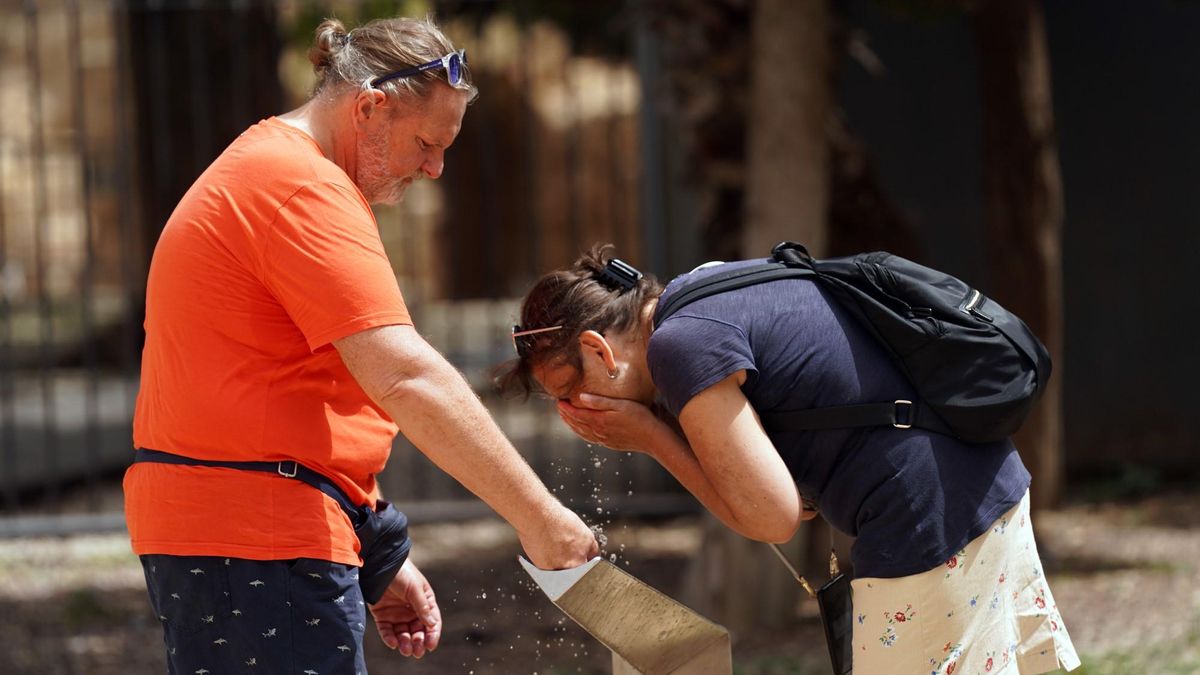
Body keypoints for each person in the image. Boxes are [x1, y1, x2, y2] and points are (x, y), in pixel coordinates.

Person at [124, 16, 598, 674]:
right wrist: (541, 517)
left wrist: (377, 548)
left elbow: (285, 388)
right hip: (254, 536)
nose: (434, 169)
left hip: (240, 530)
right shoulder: (303, 189)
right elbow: (406, 377)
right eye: (428, 144)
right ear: (371, 107)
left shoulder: (276, 168)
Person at [497, 244, 1081, 675]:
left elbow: (772, 517)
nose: (574, 413)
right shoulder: (708, 286)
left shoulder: (681, 346)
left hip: (931, 517)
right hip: (980, 483)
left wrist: (650, 436)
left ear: (600, 352)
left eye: (568, 393)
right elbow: (793, 495)